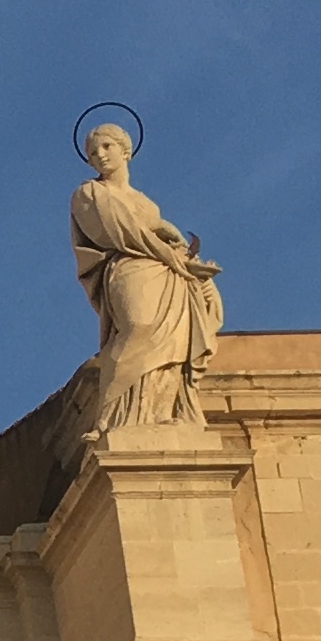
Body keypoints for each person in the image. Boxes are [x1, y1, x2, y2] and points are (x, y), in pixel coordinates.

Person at [63, 113, 222, 449]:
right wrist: (169, 251)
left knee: (171, 344)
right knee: (139, 328)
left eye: (106, 147)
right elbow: (118, 231)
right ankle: (111, 417)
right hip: (130, 269)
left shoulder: (147, 202)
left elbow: (160, 235)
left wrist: (184, 258)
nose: (100, 156)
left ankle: (157, 412)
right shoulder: (88, 193)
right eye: (93, 153)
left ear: (126, 150)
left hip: (166, 275)